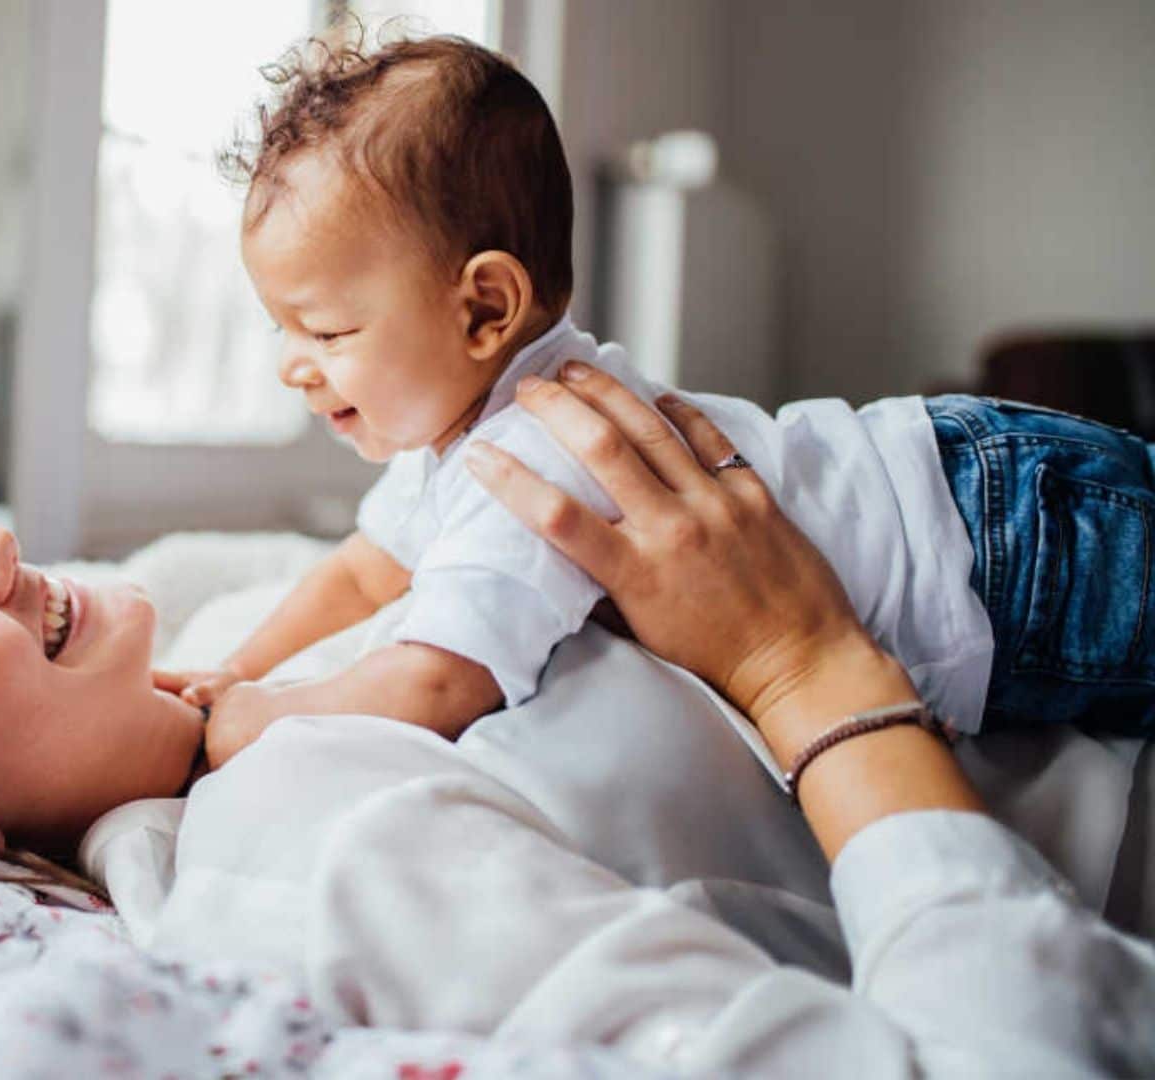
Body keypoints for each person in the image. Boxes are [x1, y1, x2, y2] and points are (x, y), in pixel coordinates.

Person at [115, 367, 1155, 1074]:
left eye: (331, 330)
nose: (295, 368)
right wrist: (798, 667)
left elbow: (378, 604)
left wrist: (244, 682)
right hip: (999, 616)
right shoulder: (281, 845)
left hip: (997, 528)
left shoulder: (471, 459)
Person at [164, 33, 1155, 768]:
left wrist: (264, 720)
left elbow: (435, 681)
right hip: (975, 490)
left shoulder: (536, 453)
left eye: (328, 332)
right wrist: (239, 668)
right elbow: (362, 575)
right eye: (282, 330)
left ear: (484, 310)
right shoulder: (454, 440)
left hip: (999, 548)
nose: (295, 367)